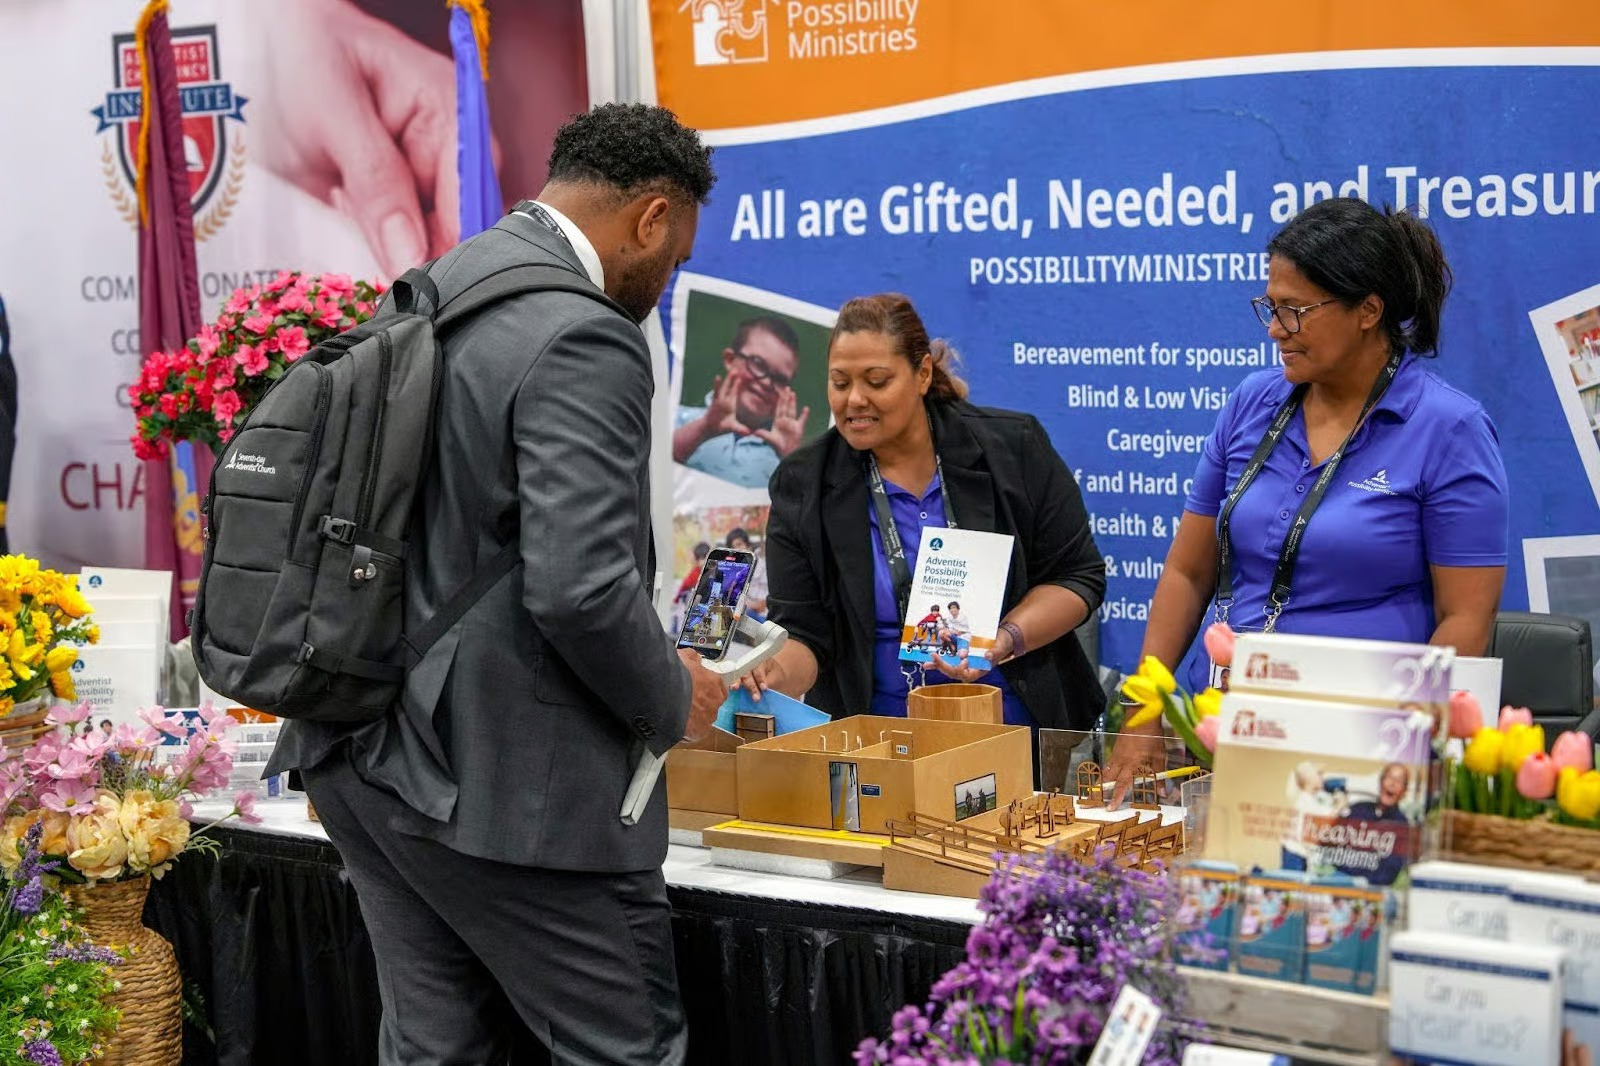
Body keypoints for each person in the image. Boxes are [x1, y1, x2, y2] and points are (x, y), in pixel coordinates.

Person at [265, 103, 726, 1066]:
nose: (665, 281)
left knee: (435, 1048)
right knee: (623, 1048)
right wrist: (670, 696)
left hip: (360, 749)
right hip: (505, 788)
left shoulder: (433, 287)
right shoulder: (583, 335)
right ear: (650, 218)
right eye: (675, 256)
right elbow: (581, 590)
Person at [1107, 198, 1509, 804]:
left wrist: (1388, 753)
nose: (1275, 328)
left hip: (1362, 754)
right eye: (1271, 308)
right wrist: (1142, 715)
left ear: (1368, 311)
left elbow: (1466, 620)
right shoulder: (1252, 403)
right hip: (1228, 729)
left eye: (1295, 311)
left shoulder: (1449, 430)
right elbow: (1189, 572)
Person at [743, 293, 1106, 734]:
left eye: (876, 381)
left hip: (1015, 727)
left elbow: (1077, 576)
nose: (855, 399)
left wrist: (1002, 640)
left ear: (922, 374)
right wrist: (770, 673)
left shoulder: (1013, 448)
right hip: (876, 740)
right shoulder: (803, 484)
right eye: (840, 383)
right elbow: (805, 635)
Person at [673, 316, 810, 487]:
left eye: (780, 379)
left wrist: (792, 457)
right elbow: (648, 464)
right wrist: (704, 428)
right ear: (730, 360)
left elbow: (806, 506)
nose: (767, 382)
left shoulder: (783, 455)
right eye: (758, 364)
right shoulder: (675, 417)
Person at [725, 527, 768, 617]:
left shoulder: (761, 566)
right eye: (733, 548)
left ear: (749, 545)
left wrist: (742, 605)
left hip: (762, 616)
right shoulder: (735, 571)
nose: (737, 550)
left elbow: (762, 605)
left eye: (739, 544)